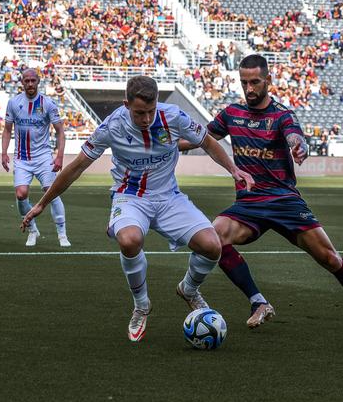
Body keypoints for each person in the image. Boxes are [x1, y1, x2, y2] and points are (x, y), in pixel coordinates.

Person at [21, 75, 254, 342]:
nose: (146, 119)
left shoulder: (174, 117)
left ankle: (189, 290)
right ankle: (142, 305)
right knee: (130, 240)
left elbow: (208, 143)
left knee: (212, 245)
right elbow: (76, 168)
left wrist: (233, 170)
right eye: (139, 113)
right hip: (130, 197)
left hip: (168, 197)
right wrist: (42, 203)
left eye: (151, 111)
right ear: (126, 104)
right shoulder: (111, 126)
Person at [180, 54, 343, 330]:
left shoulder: (282, 115)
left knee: (330, 259)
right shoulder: (231, 114)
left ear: (268, 80)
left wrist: (299, 146)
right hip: (249, 203)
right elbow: (200, 138)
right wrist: (162, 146)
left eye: (255, 82)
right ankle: (258, 301)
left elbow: (294, 135)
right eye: (244, 82)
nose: (249, 89)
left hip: (285, 201)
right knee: (214, 237)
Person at [1, 68, 71, 247]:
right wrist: (3, 152)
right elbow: (7, 130)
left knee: (51, 192)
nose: (30, 84)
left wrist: (59, 156)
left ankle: (62, 234)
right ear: (22, 82)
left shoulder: (48, 104)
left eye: (33, 80)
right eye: (27, 81)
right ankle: (32, 230)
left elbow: (60, 132)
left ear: (38, 81)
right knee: (21, 194)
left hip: (43, 157)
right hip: (22, 158)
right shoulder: (14, 103)